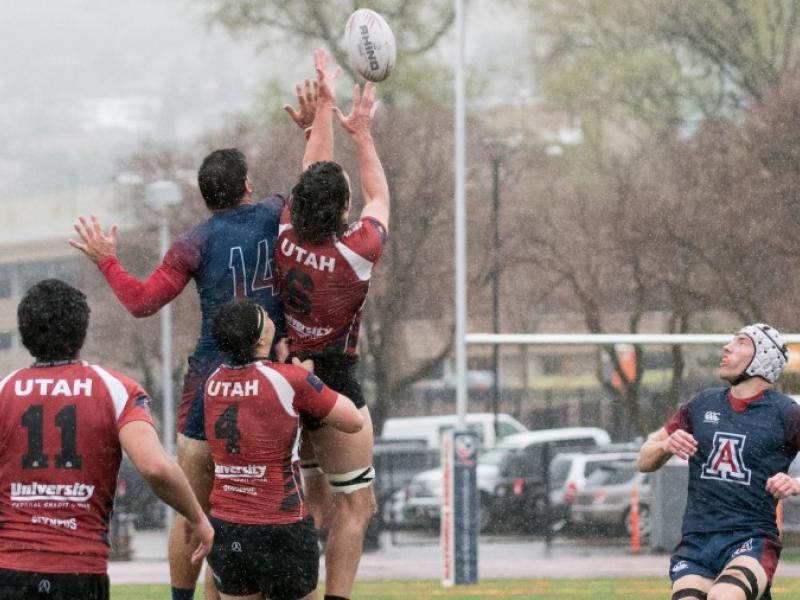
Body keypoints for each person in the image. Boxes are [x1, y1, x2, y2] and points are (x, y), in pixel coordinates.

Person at [69, 50, 340, 600]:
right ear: (245, 183)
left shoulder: (193, 241)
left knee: (194, 502)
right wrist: (319, 122)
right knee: (308, 486)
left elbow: (143, 302)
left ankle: (187, 596)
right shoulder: (275, 212)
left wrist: (107, 260)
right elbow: (316, 180)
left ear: (205, 196)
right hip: (279, 368)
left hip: (211, 378)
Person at [0, 279, 213, 600]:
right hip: (78, 569)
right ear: (82, 329)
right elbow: (155, 467)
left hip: (11, 570)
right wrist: (198, 518)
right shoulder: (115, 389)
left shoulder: (4, 391)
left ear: (25, 332)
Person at [274, 81, 389, 600]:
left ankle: (287, 588)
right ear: (345, 212)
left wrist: (321, 112)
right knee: (356, 506)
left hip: (287, 372)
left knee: (308, 502)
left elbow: (309, 173)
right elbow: (380, 197)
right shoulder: (358, 250)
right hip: (336, 379)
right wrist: (361, 134)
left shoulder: (285, 234)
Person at [202, 297, 363, 600]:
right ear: (262, 336)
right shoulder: (292, 379)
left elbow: (253, 392)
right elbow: (353, 421)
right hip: (281, 526)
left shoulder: (212, 383)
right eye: (263, 312)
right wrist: (308, 378)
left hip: (228, 525)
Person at [638, 323, 800, 600]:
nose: (727, 347)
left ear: (763, 356)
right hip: (697, 542)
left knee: (723, 597)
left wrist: (796, 483)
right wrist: (666, 445)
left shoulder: (786, 413)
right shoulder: (702, 405)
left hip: (750, 539)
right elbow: (644, 460)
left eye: (740, 342)